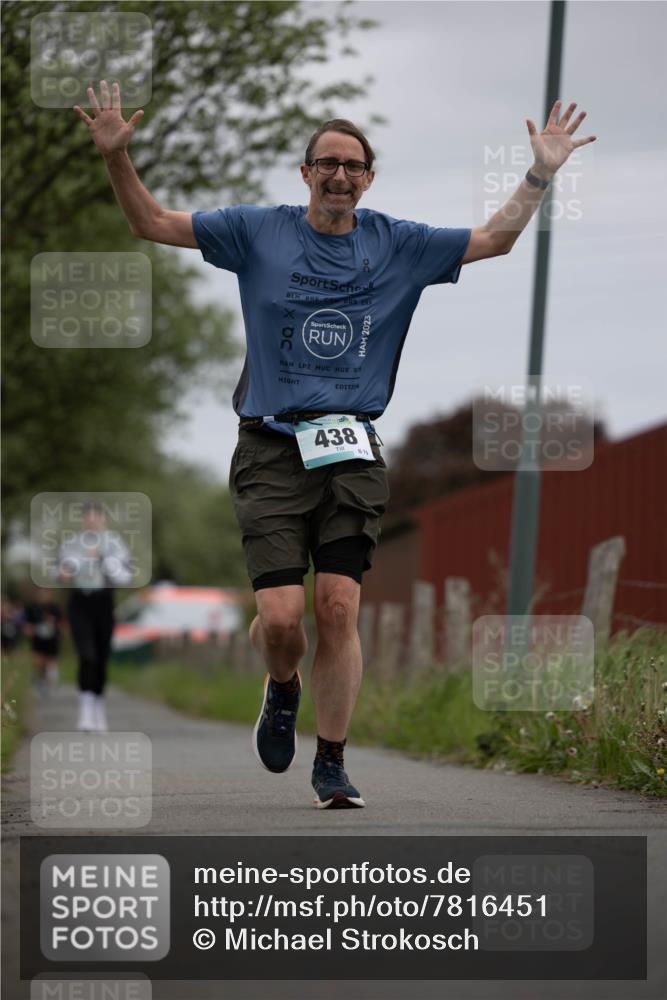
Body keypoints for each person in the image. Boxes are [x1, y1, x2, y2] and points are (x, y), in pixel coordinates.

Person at [75, 82, 595, 805]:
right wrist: (117, 158)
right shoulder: (257, 231)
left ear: (369, 177)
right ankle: (281, 684)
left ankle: (332, 760)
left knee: (339, 607)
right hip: (269, 445)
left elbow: (495, 240)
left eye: (354, 165)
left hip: (350, 446)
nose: (340, 176)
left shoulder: (399, 244)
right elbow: (153, 223)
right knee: (283, 621)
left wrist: (539, 173)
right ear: (306, 172)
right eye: (328, 163)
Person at [57, 501, 133, 731]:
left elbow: (125, 577)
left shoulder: (115, 544)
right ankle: (85, 710)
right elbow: (58, 573)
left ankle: (98, 707)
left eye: (95, 517)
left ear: (102, 519)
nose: (91, 521)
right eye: (87, 517)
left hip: (104, 602)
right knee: (86, 654)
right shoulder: (71, 544)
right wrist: (66, 571)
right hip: (80, 602)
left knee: (101, 655)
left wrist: (101, 560)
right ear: (83, 520)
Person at [24, 588, 63, 694]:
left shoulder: (55, 608)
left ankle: (50, 682)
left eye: (46, 594)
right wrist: (33, 629)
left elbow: (61, 624)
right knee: (39, 663)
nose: (44, 597)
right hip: (38, 640)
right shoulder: (32, 608)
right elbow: (27, 626)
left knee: (51, 662)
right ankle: (39, 681)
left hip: (52, 640)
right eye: (42, 594)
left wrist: (55, 626)